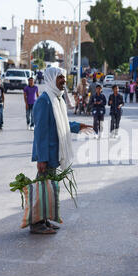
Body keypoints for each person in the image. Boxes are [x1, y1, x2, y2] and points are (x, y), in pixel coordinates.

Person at [32, 67, 93, 234]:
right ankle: (36, 223)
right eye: (60, 78)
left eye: (64, 78)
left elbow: (61, 124)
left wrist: (76, 126)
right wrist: (41, 158)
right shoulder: (45, 101)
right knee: (43, 189)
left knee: (49, 189)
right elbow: (41, 133)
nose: (63, 81)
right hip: (47, 155)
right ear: (51, 79)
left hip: (54, 153)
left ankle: (44, 220)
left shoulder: (57, 99)